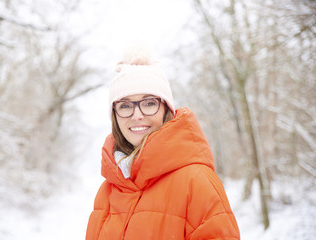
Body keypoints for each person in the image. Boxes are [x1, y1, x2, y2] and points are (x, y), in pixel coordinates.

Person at [86, 46, 240, 239]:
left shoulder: (197, 181)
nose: (137, 115)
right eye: (125, 105)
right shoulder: (108, 190)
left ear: (166, 109)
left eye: (149, 103)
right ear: (115, 116)